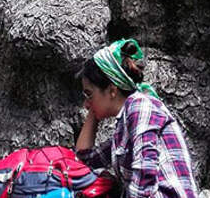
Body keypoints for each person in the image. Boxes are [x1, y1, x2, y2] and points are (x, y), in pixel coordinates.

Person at [76, 39, 199, 198]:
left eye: (88, 94)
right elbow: (83, 161)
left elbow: (144, 183)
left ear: (112, 90)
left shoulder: (139, 106)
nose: (85, 104)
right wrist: (94, 108)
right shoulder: (123, 127)